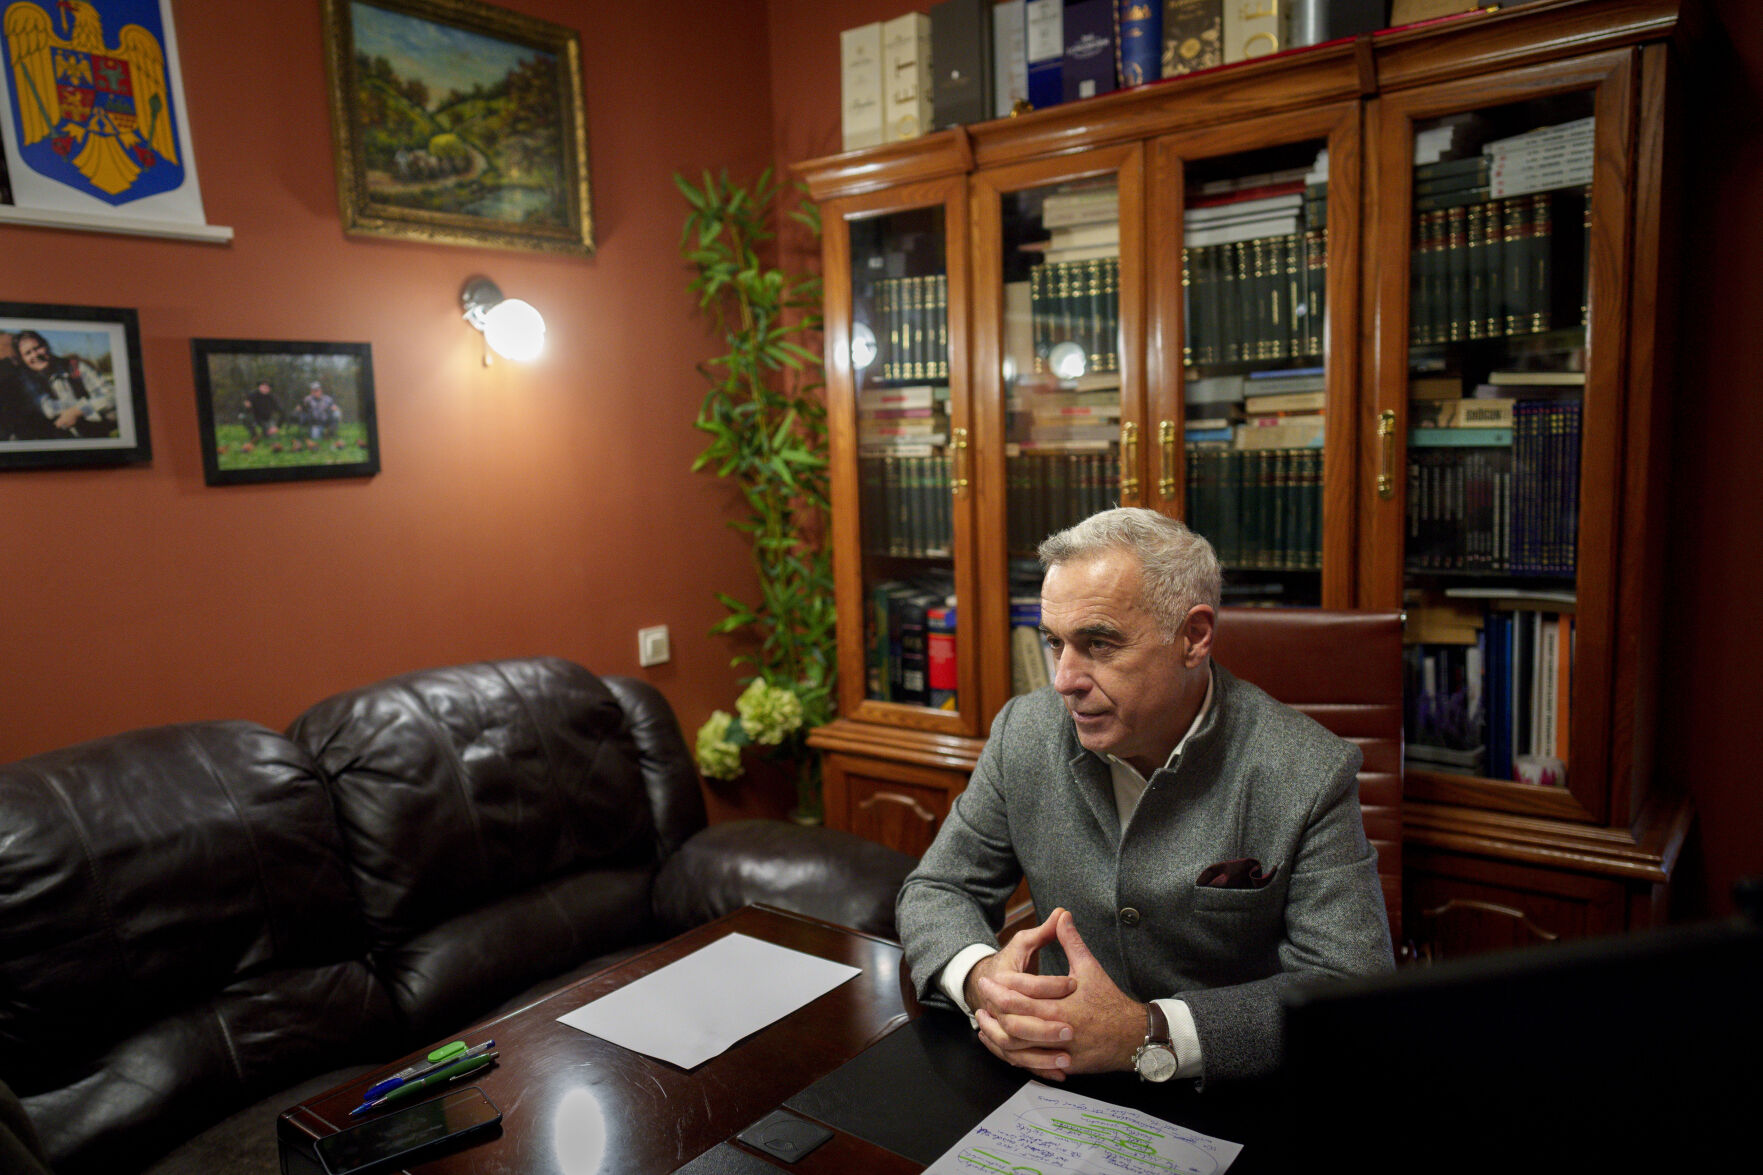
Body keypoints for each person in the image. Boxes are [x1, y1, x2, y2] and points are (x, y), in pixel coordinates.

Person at [896, 507, 1393, 1089]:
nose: (1063, 679)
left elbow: (1348, 984)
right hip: (1051, 1075)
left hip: (1227, 1092)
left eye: (1099, 644)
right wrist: (982, 978)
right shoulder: (1024, 733)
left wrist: (1147, 1031)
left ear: (1193, 636)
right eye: (1055, 643)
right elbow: (938, 888)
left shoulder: (1307, 770)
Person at [13, 329, 116, 437]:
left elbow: (112, 395)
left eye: (38, 348)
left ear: (47, 345)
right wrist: (90, 406)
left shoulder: (75, 366)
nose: (35, 355)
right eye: (28, 353)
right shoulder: (25, 379)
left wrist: (78, 411)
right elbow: (47, 409)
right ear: (22, 359)